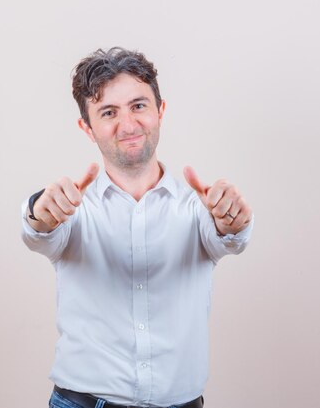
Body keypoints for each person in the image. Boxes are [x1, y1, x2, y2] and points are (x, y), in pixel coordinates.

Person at [21, 47, 254, 408]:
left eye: (138, 106)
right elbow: (39, 229)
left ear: (160, 111)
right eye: (108, 112)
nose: (128, 125)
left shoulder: (197, 207)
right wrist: (40, 209)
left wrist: (233, 221)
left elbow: (230, 237)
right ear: (87, 127)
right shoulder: (73, 210)